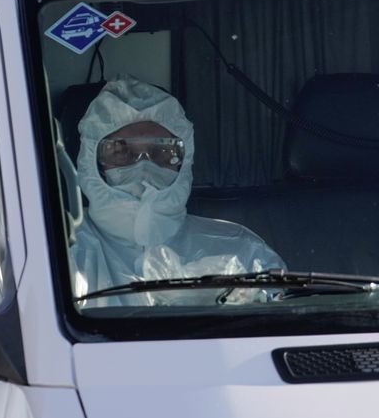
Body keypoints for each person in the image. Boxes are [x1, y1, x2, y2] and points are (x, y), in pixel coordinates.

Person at [70, 74, 286, 306]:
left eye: (162, 150)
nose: (143, 165)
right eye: (121, 150)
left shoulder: (240, 249)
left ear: (185, 159)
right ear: (92, 161)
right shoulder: (65, 252)